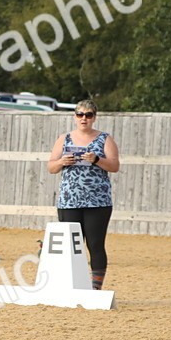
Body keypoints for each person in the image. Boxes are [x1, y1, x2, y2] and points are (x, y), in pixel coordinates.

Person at [47, 99, 120, 290]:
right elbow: (51, 167)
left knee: (95, 244)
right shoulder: (64, 138)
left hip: (97, 201)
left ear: (94, 117)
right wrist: (62, 161)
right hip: (70, 200)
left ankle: (96, 287)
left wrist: (96, 159)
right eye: (80, 114)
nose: (84, 118)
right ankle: (71, 286)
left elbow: (114, 166)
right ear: (75, 117)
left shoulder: (105, 138)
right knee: (70, 247)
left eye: (88, 115)